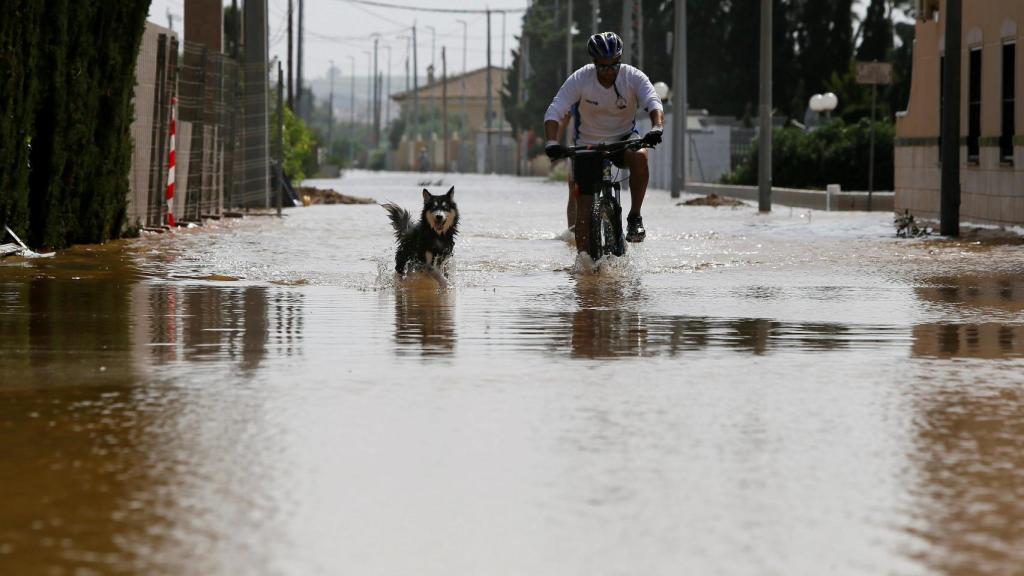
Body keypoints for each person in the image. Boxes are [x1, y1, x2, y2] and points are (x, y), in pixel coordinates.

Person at [543, 31, 664, 252]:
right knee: (584, 214)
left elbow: (653, 102)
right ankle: (585, 266)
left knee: (641, 155)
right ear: (594, 63)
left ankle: (635, 216)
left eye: (614, 66)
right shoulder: (581, 79)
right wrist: (552, 141)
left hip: (623, 139)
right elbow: (555, 111)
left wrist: (657, 127)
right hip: (588, 145)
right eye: (603, 67)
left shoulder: (633, 76)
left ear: (620, 61)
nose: (609, 72)